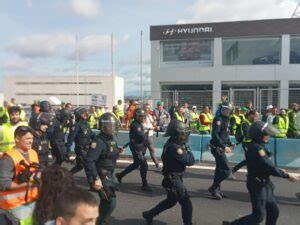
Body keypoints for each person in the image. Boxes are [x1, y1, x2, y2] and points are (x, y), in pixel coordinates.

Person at [223, 121, 299, 225]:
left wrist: (280, 170)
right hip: (257, 185)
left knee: (273, 211)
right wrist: (287, 175)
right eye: (266, 134)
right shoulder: (256, 148)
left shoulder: (259, 146)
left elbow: (267, 165)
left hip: (265, 183)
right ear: (259, 135)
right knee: (258, 216)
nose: (268, 136)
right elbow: (267, 166)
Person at [142, 120, 195, 225]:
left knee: (171, 201)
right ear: (175, 134)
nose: (184, 136)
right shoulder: (175, 148)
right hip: (173, 179)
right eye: (182, 134)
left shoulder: (173, 143)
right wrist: (188, 149)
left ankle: (149, 214)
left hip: (173, 177)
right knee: (186, 203)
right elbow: (190, 161)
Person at [85, 112, 124, 225]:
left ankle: (99, 220)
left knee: (105, 201)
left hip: (109, 174)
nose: (111, 128)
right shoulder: (98, 141)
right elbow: (89, 161)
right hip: (101, 175)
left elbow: (110, 154)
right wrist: (95, 178)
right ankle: (100, 222)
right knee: (110, 202)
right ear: (103, 126)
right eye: (108, 126)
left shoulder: (110, 139)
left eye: (112, 125)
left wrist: (118, 151)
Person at [0, 126, 40, 225]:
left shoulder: (33, 153)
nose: (31, 141)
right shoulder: (8, 159)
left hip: (32, 202)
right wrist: (27, 184)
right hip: (15, 207)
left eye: (32, 138)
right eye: (27, 138)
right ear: (17, 139)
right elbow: (3, 184)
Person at [115, 108, 152, 191]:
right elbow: (142, 137)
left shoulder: (139, 124)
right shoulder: (136, 125)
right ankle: (144, 184)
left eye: (143, 116)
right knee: (144, 164)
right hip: (136, 147)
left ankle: (120, 175)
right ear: (136, 116)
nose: (143, 118)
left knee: (136, 164)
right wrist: (147, 134)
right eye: (141, 116)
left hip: (139, 146)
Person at [208, 102, 236, 200]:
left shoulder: (225, 119)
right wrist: (224, 147)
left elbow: (224, 134)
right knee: (227, 171)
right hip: (217, 148)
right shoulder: (218, 119)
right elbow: (215, 135)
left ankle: (216, 190)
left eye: (228, 109)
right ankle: (213, 187)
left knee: (219, 170)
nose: (226, 111)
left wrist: (229, 143)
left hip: (221, 147)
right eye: (224, 109)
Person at [66, 108, 93, 175]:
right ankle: (94, 181)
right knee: (89, 166)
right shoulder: (77, 125)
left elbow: (92, 134)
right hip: (81, 149)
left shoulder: (86, 124)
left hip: (87, 148)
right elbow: (70, 138)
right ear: (81, 115)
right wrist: (68, 150)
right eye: (85, 114)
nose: (87, 115)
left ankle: (66, 176)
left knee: (80, 166)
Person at [232, 110, 257, 174]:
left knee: (250, 160)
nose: (256, 117)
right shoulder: (245, 123)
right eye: (255, 116)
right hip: (247, 144)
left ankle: (233, 170)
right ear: (250, 115)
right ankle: (233, 170)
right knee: (249, 159)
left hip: (251, 144)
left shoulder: (251, 122)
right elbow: (246, 134)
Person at [143, 104, 159, 168]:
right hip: (145, 135)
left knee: (151, 150)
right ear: (144, 108)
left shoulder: (150, 115)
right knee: (149, 150)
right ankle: (156, 162)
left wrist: (155, 121)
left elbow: (153, 124)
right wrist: (152, 128)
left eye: (149, 108)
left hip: (150, 135)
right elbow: (143, 126)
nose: (148, 109)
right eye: (147, 108)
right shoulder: (143, 116)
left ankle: (156, 162)